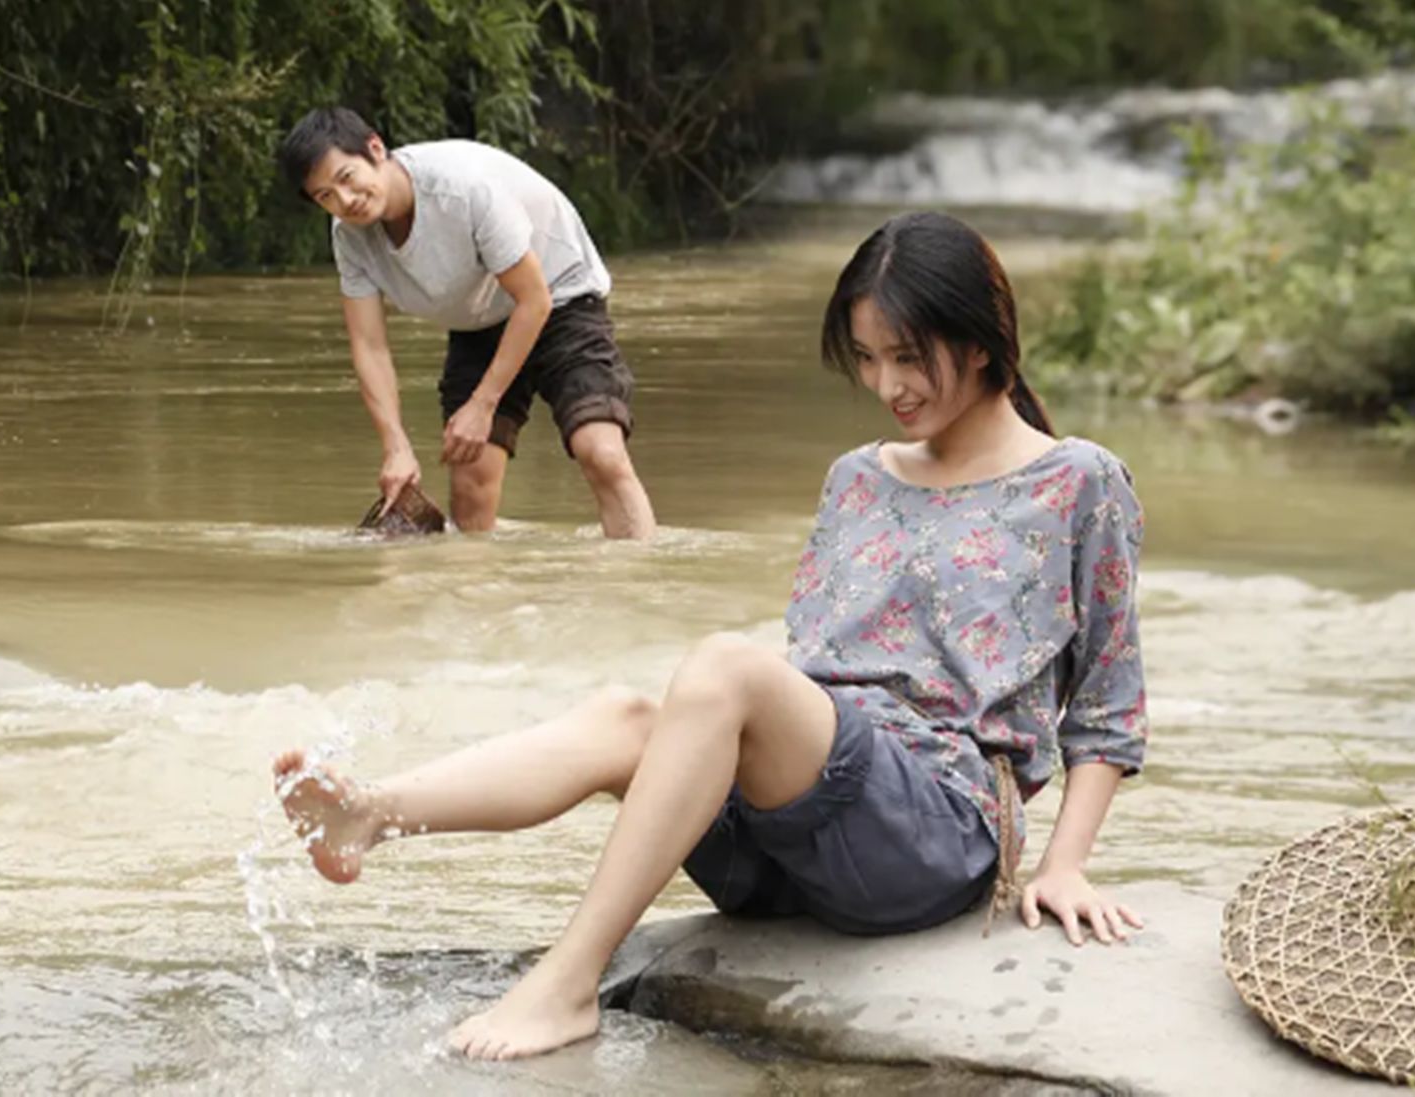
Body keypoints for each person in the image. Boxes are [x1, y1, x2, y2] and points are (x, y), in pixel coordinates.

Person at [271, 211, 1150, 1060]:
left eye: (910, 358)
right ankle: (369, 817)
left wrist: (1063, 865)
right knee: (626, 717)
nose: (889, 386)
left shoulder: (1077, 482)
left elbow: (1106, 706)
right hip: (798, 838)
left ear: (984, 336)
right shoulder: (856, 476)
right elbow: (819, 678)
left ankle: (567, 983)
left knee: (728, 667)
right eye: (870, 359)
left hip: (934, 833)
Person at [277, 108, 657, 539]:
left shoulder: (464, 189)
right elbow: (369, 346)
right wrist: (396, 447)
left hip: (560, 297)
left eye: (347, 178)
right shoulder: (349, 236)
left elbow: (534, 300)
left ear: (375, 149)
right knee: (470, 484)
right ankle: (475, 598)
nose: (345, 202)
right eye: (326, 196)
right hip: (478, 320)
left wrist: (483, 404)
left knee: (601, 452)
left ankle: (639, 589)